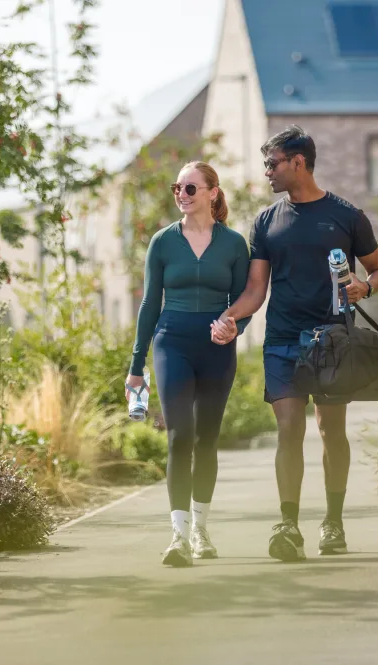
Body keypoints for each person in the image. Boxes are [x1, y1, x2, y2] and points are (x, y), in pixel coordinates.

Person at [210, 125, 378, 561]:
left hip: (334, 340)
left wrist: (364, 288)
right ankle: (287, 524)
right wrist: (228, 316)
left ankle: (333, 522)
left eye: (273, 164)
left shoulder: (347, 216)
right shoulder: (267, 221)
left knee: (332, 430)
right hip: (284, 339)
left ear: (299, 163)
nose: (267, 172)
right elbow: (256, 290)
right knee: (289, 429)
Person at [126, 161, 251, 567]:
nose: (182, 194)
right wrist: (136, 363)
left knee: (206, 439)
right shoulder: (162, 242)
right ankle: (178, 536)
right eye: (177, 187)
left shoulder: (234, 244)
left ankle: (201, 528)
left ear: (212, 193)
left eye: (191, 188)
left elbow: (245, 301)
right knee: (180, 435)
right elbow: (149, 304)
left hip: (216, 348)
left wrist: (236, 327)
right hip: (171, 342)